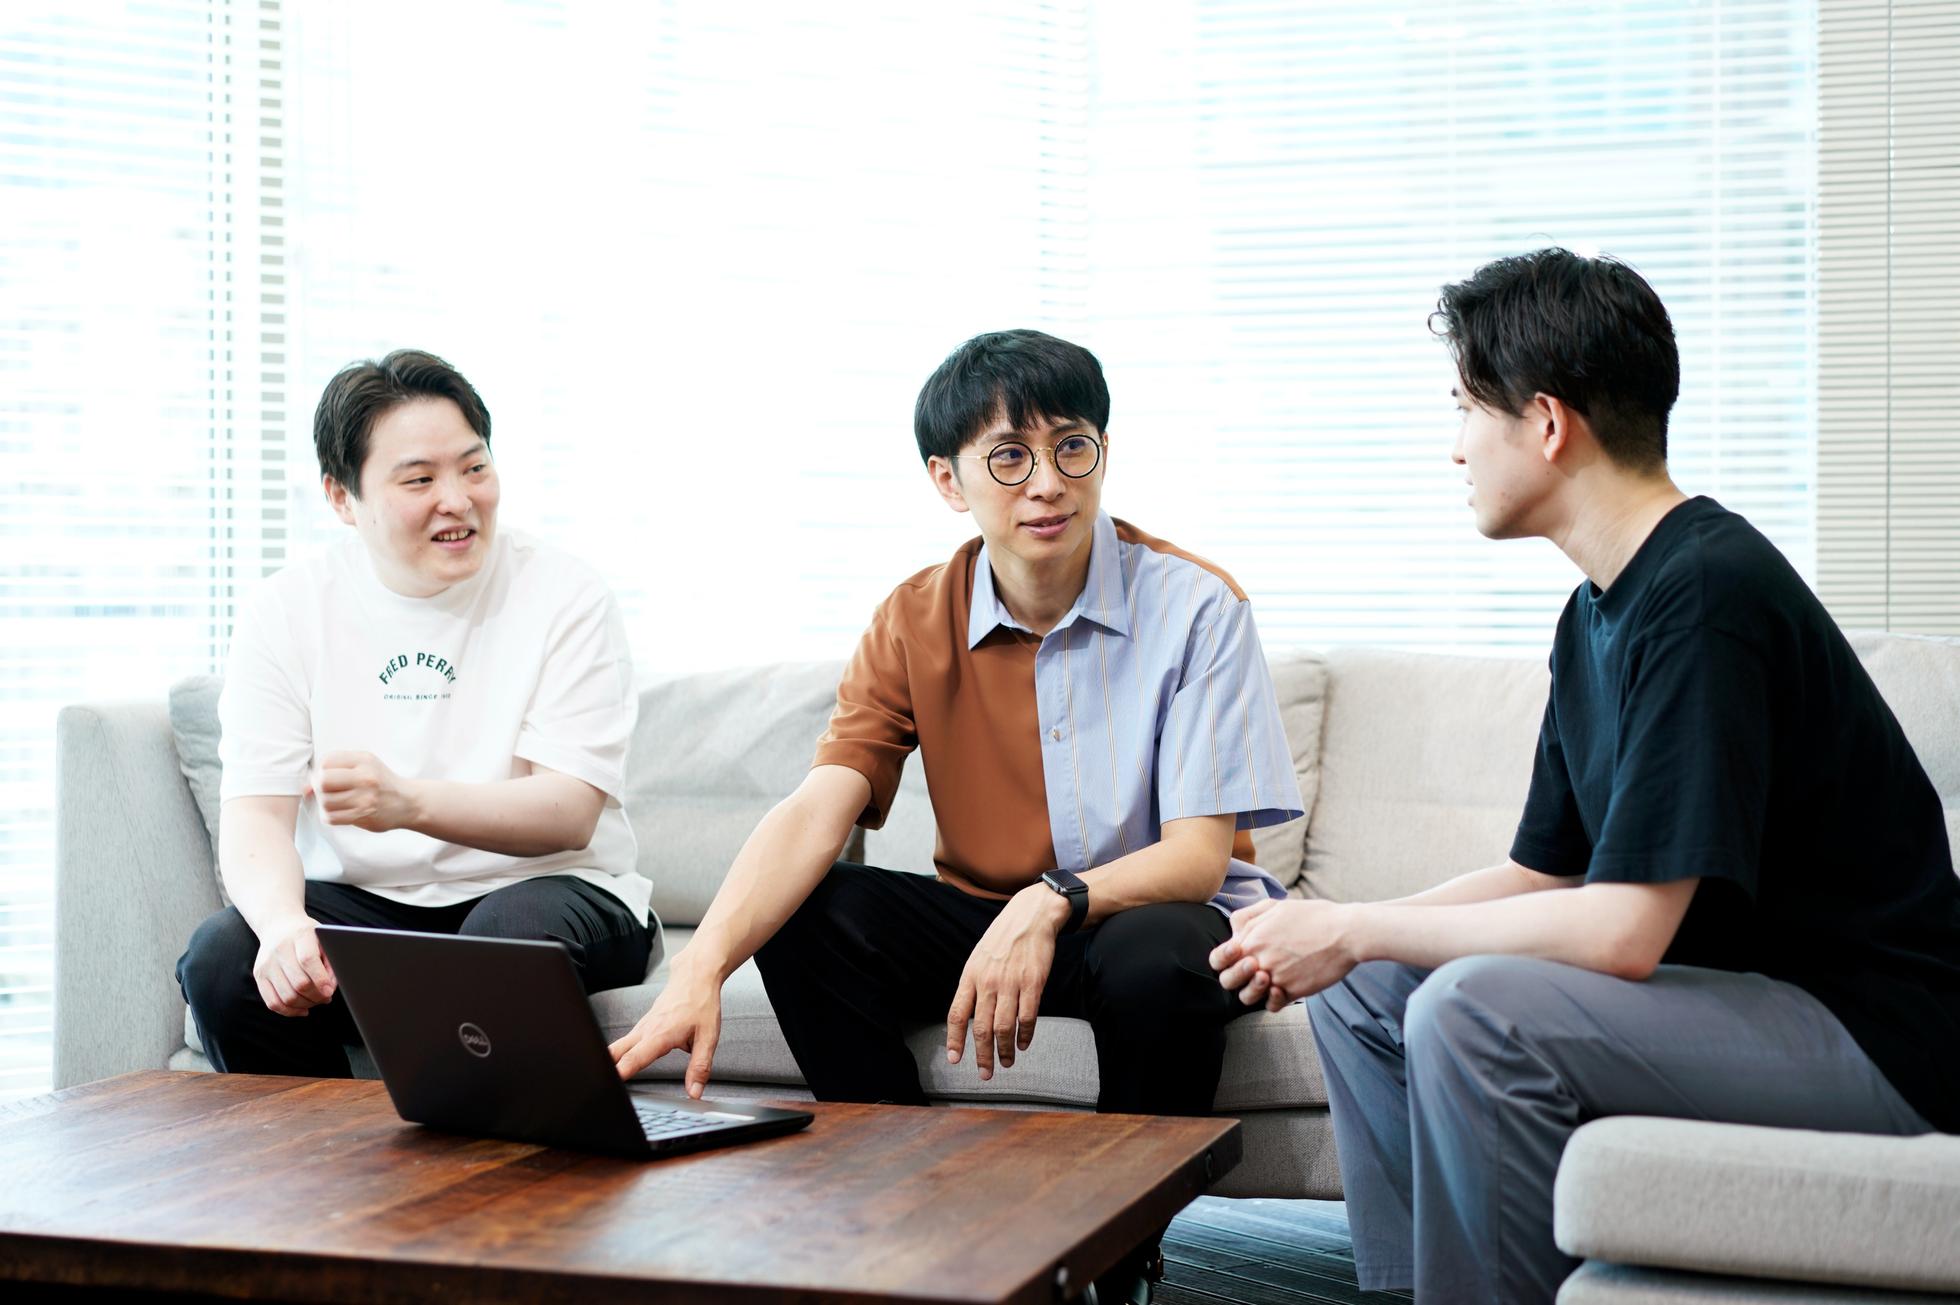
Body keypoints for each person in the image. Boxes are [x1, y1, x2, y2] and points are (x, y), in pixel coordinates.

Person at [1209, 248, 1960, 1303]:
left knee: (1470, 1009)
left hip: (1873, 1036)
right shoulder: (1594, 611)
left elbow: (1622, 932)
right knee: (1361, 988)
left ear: (1548, 424)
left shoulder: (1706, 595)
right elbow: (1542, 873)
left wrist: (1358, 926)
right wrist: (1339, 929)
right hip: (1744, 1003)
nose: (1454, 448)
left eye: (1466, 410)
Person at [610, 328, 1303, 1302]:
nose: (1048, 484)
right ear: (948, 480)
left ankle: (1117, 1257)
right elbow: (817, 808)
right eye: (1009, 457)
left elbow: (1194, 860)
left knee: (1157, 958)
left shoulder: (1197, 607)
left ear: (1103, 452)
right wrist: (701, 967)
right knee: (811, 914)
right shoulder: (913, 617)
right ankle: (916, 1201)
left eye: (1072, 447)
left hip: (1153, 918)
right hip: (989, 928)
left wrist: (1048, 901)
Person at [177, 349, 653, 1077]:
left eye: (474, 467)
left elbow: (568, 813)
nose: (457, 499)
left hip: (552, 891)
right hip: (370, 906)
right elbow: (256, 819)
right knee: (223, 959)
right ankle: (330, 1144)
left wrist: (405, 803)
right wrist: (281, 926)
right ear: (342, 498)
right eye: (420, 479)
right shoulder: (287, 610)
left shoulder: (564, 594)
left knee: (503, 940)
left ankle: (487, 1153)